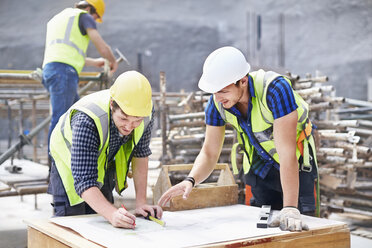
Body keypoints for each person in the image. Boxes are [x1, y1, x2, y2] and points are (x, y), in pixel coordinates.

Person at [158, 46, 319, 232]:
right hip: (262, 169)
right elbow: (210, 152)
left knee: (299, 229)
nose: (217, 98)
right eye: (214, 92)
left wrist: (290, 208)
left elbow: (287, 154)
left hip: (295, 167)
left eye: (223, 91)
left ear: (242, 81)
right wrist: (190, 180)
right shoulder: (217, 103)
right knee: (263, 232)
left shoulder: (276, 90)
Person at [47, 70, 162, 229]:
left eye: (136, 121)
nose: (129, 126)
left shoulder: (145, 111)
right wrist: (112, 214)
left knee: (103, 225)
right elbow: (83, 180)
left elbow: (140, 153)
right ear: (112, 105)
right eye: (123, 118)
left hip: (104, 160)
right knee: (72, 227)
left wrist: (141, 203)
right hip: (68, 164)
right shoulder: (86, 120)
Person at [41, 0, 118, 151]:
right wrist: (112, 60)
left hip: (52, 70)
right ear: (90, 8)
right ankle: (55, 165)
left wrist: (95, 62)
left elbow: (67, 54)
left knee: (76, 116)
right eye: (96, 17)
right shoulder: (84, 16)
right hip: (63, 73)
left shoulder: (60, 17)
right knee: (61, 119)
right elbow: (102, 46)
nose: (95, 20)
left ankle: (72, 158)